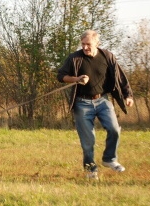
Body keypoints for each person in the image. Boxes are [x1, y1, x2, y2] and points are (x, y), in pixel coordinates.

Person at [57, 29, 134, 180]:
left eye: (88, 44)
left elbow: (120, 77)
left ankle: (109, 159)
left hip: (103, 101)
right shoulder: (75, 58)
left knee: (114, 130)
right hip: (82, 103)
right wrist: (76, 79)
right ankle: (90, 169)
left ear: (97, 44)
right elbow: (60, 76)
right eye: (83, 44)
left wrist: (128, 95)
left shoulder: (108, 56)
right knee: (88, 141)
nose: (85, 47)